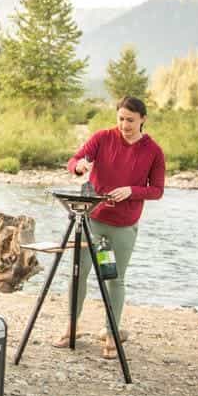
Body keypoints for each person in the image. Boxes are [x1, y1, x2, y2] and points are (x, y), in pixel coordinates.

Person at [56, 95, 165, 358]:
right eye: (121, 119)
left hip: (124, 226)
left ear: (143, 120)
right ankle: (72, 325)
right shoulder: (103, 138)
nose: (125, 125)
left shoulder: (153, 151)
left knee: (114, 279)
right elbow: (75, 161)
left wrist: (131, 191)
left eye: (130, 120)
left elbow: (157, 191)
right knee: (78, 272)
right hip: (92, 219)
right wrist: (79, 166)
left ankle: (111, 333)